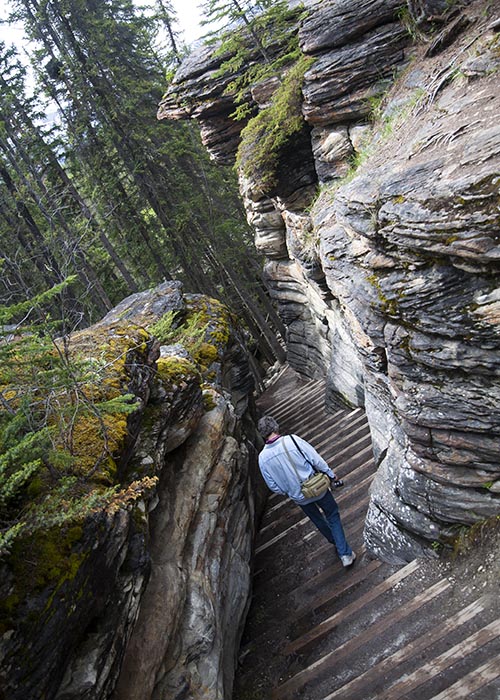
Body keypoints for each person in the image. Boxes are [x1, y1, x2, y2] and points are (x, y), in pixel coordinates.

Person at [257, 414, 356, 567]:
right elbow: (315, 459)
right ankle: (344, 553)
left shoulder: (262, 458)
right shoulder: (292, 440)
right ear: (276, 426)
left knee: (318, 520)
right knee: (332, 515)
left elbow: (272, 486)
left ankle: (338, 544)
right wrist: (330, 474)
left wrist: (288, 491)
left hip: (299, 496)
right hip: (317, 486)